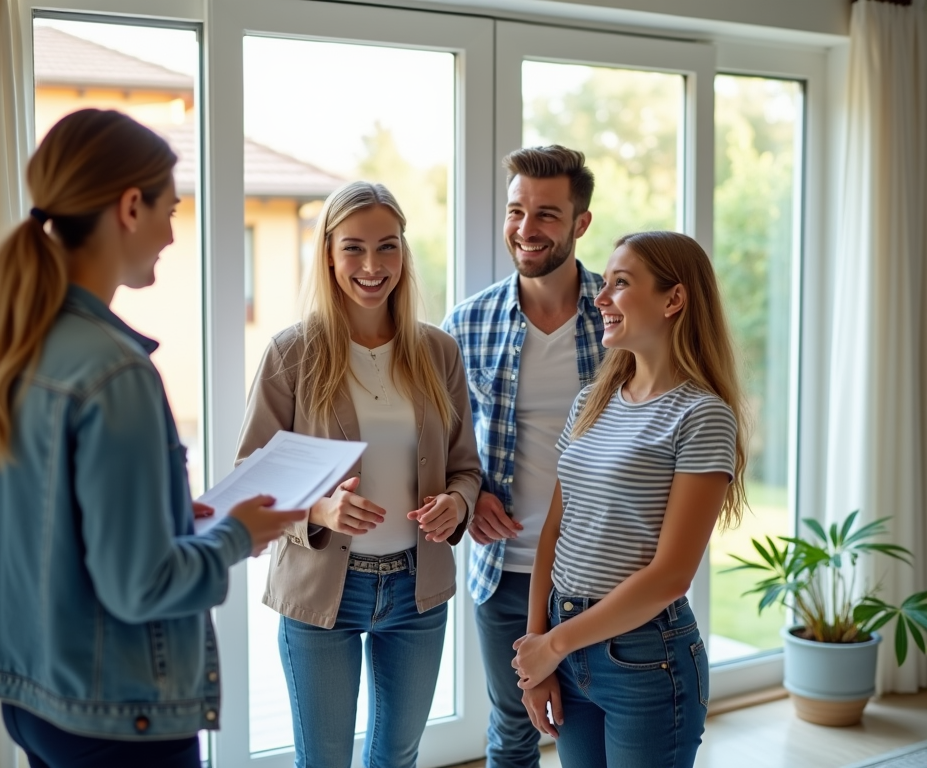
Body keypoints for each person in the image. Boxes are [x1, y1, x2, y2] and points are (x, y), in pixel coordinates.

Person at [0, 109, 303, 768]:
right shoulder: (115, 373)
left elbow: (48, 532)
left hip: (37, 701)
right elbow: (140, 587)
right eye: (170, 209)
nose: (173, 233)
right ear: (130, 207)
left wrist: (171, 520)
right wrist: (237, 535)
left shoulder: (17, 344)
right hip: (118, 719)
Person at [236, 180, 481, 768]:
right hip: (321, 590)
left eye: (387, 246)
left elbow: (465, 468)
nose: (373, 266)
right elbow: (249, 478)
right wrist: (319, 511)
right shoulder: (292, 353)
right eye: (354, 248)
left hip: (415, 591)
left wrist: (457, 504)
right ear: (327, 253)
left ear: (404, 252)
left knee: (397, 757)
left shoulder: (438, 353)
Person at [511, 231, 748, 768]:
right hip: (566, 644)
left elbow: (671, 576)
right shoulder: (591, 402)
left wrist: (555, 644)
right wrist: (540, 651)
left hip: (646, 658)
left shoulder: (702, 416)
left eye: (621, 283)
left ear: (674, 299)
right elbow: (554, 531)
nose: (599, 297)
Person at [442, 145, 605, 767]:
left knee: (591, 723)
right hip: (504, 569)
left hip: (601, 568)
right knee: (513, 731)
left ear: (580, 223)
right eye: (516, 211)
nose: (526, 230)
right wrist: (469, 491)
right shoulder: (468, 322)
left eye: (547, 214)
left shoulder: (616, 315)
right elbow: (441, 441)